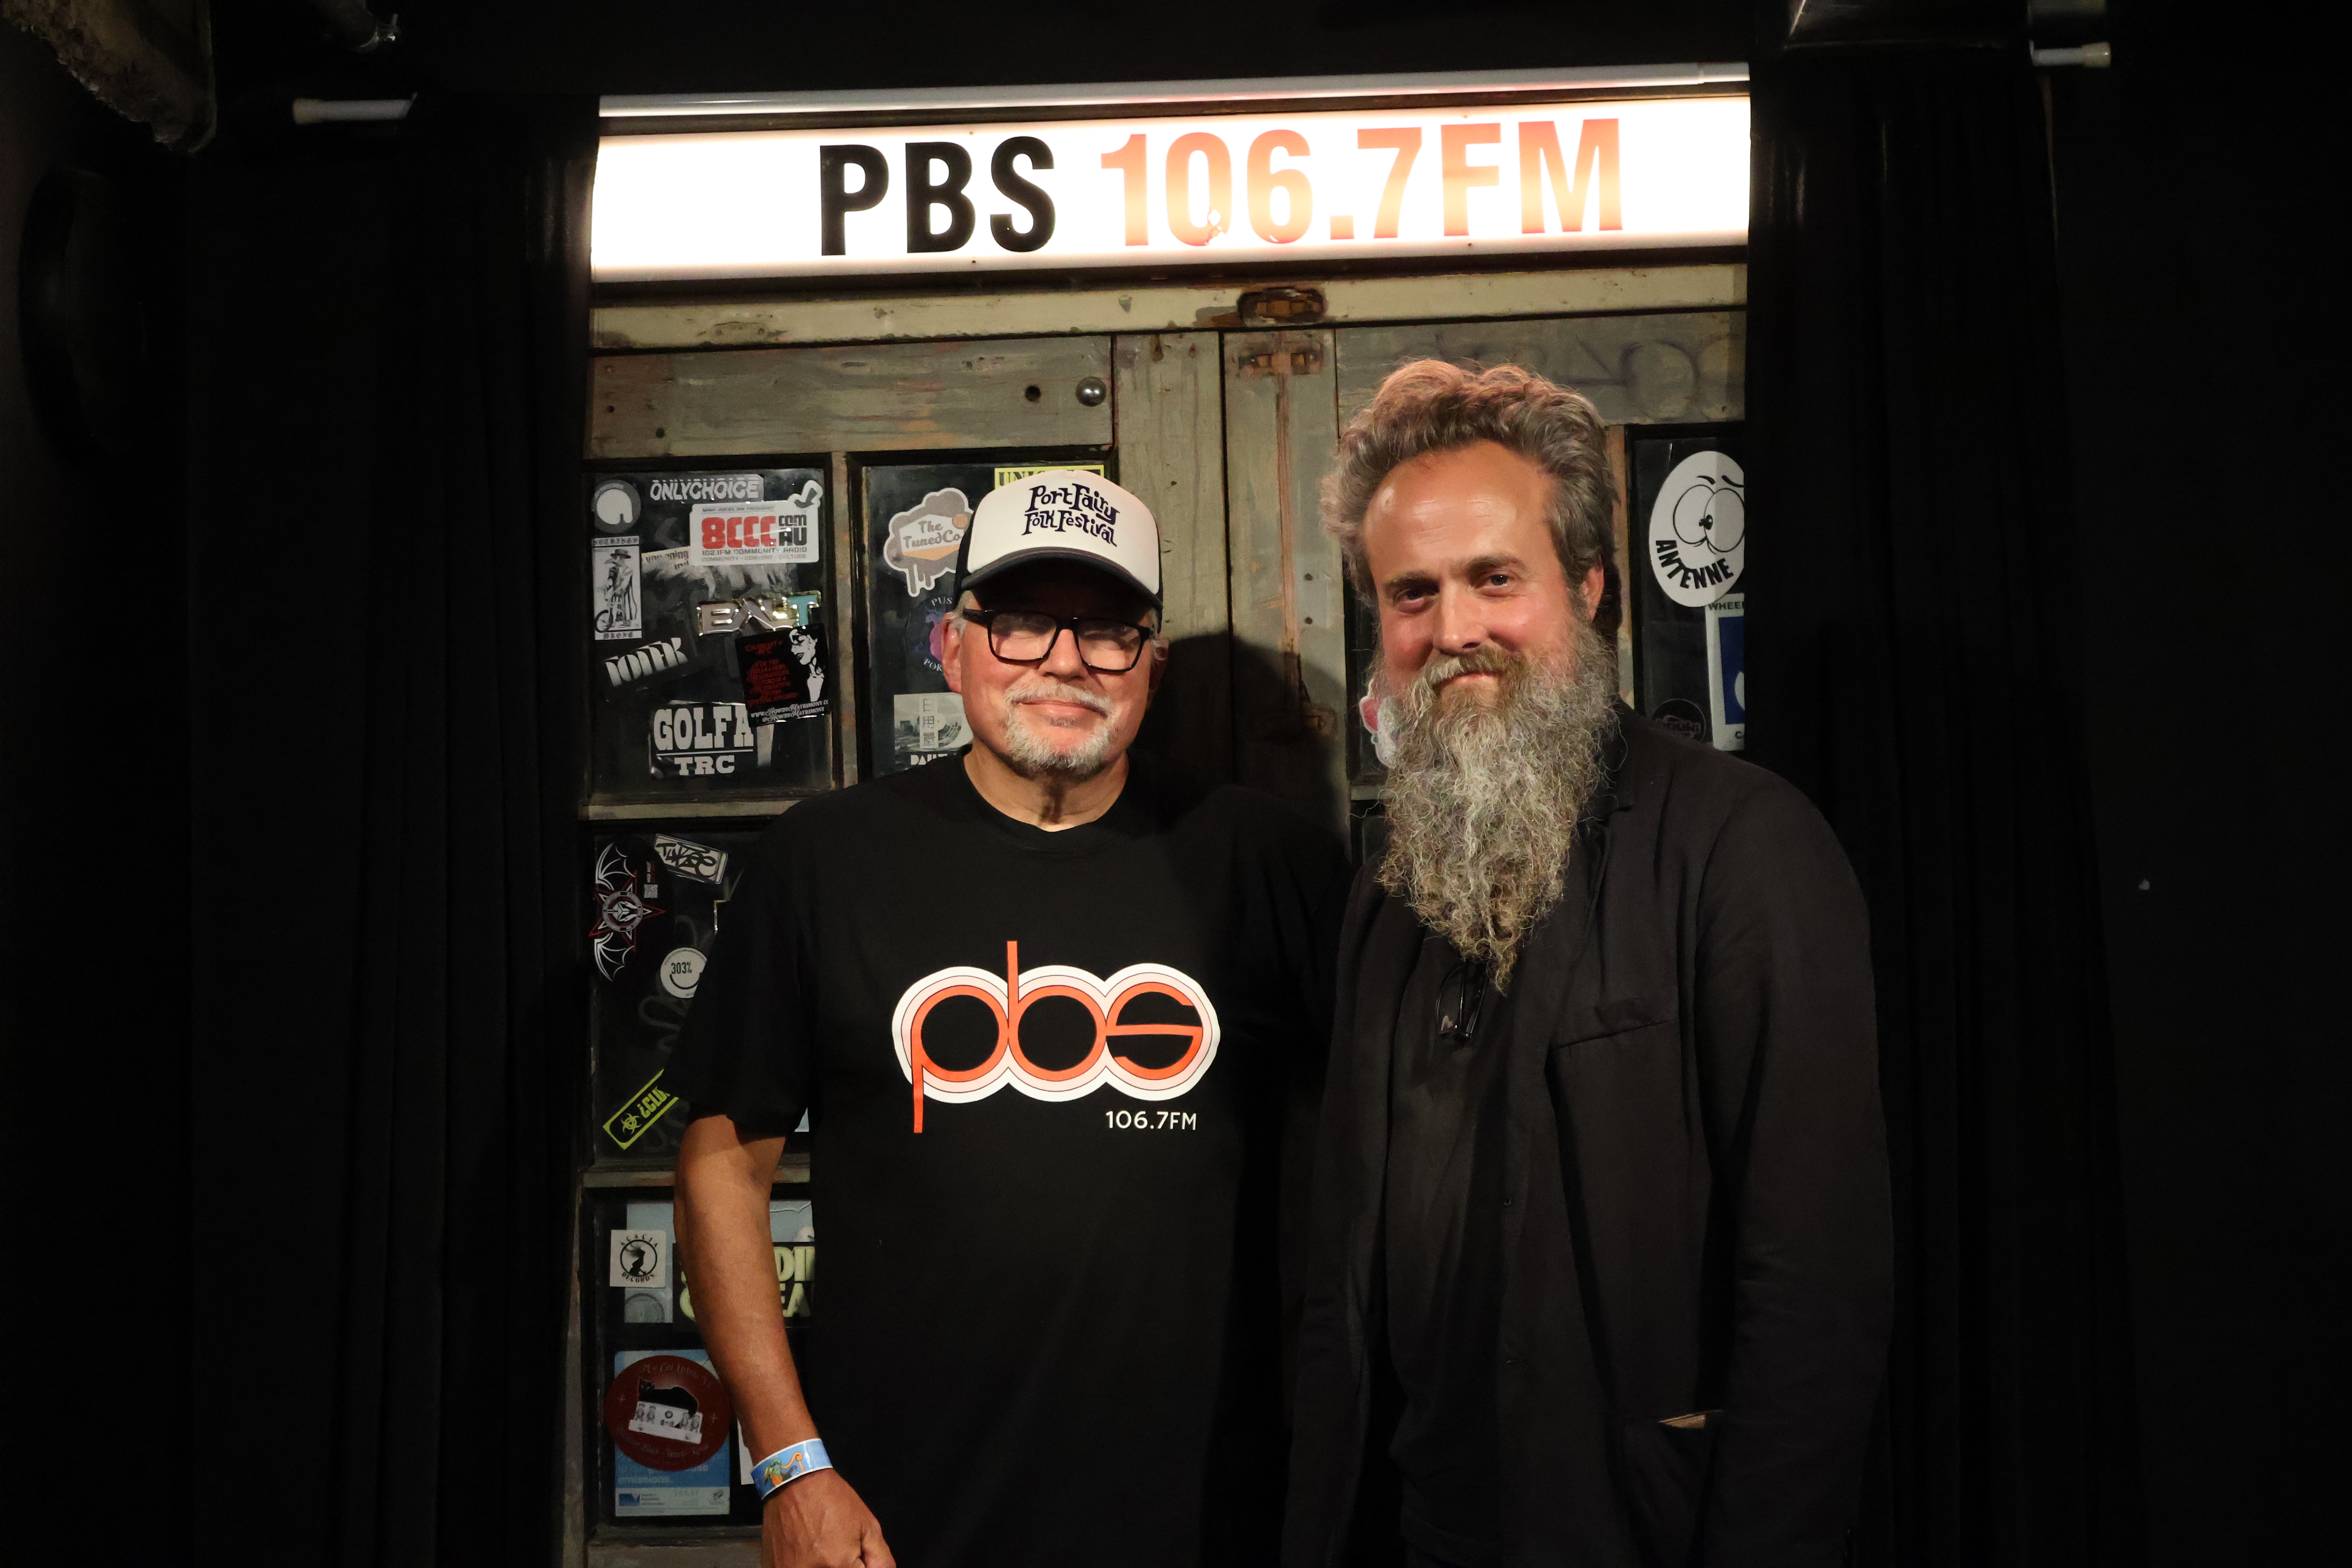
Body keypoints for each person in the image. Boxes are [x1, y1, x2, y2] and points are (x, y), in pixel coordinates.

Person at [668, 469, 1349, 1568]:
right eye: (1023, 621)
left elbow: (1386, 1170)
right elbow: (720, 1165)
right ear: (952, 646)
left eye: (1108, 631)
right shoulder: (828, 862)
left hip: (1218, 1518)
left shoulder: (1272, 864)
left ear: (1152, 669)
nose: (1064, 661)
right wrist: (792, 1464)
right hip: (897, 1525)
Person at [1283, 365, 1892, 1568]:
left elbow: (1816, 1284)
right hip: (1420, 1528)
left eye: (1493, 579)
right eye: (1413, 594)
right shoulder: (1387, 888)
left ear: (1594, 586)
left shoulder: (1741, 845)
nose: (1453, 629)